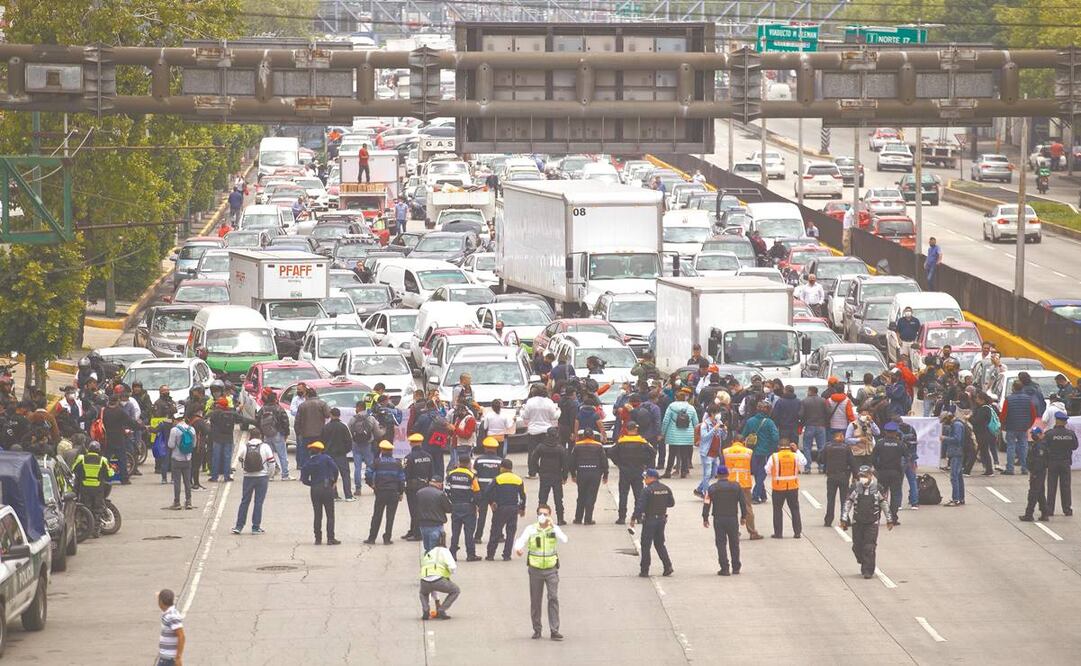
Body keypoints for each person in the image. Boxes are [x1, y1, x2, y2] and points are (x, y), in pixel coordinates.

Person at [513, 503, 568, 640]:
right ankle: (537, 629)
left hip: (551, 569)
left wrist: (553, 527)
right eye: (540, 514)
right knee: (536, 601)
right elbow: (520, 541)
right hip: (535, 569)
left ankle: (554, 630)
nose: (543, 516)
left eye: (545, 514)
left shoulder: (554, 529)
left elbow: (564, 539)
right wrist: (518, 549)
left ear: (550, 515)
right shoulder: (531, 529)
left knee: (553, 597)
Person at [840, 466, 893, 579]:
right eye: (861, 476)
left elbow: (884, 504)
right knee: (857, 547)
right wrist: (844, 518)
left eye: (865, 476)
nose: (862, 478)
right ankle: (863, 560)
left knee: (869, 547)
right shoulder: (855, 487)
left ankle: (868, 570)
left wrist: (889, 519)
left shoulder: (878, 488)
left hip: (872, 522)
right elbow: (848, 503)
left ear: (870, 475)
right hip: (857, 521)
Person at [702, 464, 746, 576]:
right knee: (734, 543)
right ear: (727, 474)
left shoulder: (712, 488)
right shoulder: (736, 486)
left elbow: (707, 503)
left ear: (717, 475)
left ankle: (724, 568)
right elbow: (742, 502)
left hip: (719, 519)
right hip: (732, 518)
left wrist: (705, 517)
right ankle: (736, 567)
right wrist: (743, 516)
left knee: (721, 543)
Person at [631, 468, 675, 577]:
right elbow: (671, 503)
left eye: (645, 478)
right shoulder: (666, 488)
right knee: (660, 544)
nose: (644, 480)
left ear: (651, 478)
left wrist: (633, 518)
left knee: (646, 545)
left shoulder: (647, 490)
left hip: (650, 520)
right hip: (661, 520)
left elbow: (640, 506)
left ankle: (644, 570)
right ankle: (668, 566)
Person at [611, 421, 656, 524]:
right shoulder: (642, 441)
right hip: (638, 470)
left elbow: (611, 452)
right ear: (636, 429)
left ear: (626, 429)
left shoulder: (621, 441)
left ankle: (622, 518)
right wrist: (645, 462)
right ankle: (639, 517)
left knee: (623, 494)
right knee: (639, 495)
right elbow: (653, 452)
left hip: (624, 471)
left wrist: (618, 463)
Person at [483, 459, 527, 561]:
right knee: (510, 532)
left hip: (500, 509)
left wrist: (492, 502)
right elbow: (523, 496)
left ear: (502, 468)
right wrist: (522, 508)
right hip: (513, 509)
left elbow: (487, 492)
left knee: (495, 531)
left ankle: (490, 555)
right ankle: (507, 555)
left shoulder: (498, 479)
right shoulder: (518, 479)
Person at [365, 440, 406, 545]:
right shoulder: (397, 463)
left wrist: (372, 485)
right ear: (391, 451)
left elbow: (368, 473)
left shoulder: (377, 462)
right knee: (390, 517)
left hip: (381, 492)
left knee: (377, 515)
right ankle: (387, 539)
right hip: (393, 493)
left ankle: (372, 538)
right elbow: (401, 479)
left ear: (382, 450)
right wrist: (401, 492)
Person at [300, 441, 340, 545]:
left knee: (317, 515)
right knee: (330, 514)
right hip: (327, 488)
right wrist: (334, 481)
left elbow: (304, 479)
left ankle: (318, 539)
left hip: (315, 489)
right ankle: (330, 538)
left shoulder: (308, 462)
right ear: (321, 450)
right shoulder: (326, 458)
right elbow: (335, 469)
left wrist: (312, 484)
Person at [764, 440, 806, 538]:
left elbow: (767, 469)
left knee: (777, 510)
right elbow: (804, 462)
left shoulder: (774, 456)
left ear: (779, 447)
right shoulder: (795, 456)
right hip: (792, 487)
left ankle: (778, 533)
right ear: (790, 446)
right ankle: (797, 532)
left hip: (778, 488)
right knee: (795, 510)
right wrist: (797, 451)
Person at [445, 457, 482, 561]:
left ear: (459, 463)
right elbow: (477, 493)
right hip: (469, 507)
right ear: (469, 464)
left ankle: (452, 554)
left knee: (455, 532)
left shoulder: (451, 474)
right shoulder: (471, 475)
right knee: (469, 533)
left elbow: (447, 490)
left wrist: (453, 501)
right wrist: (476, 505)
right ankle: (471, 555)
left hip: (456, 506)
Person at [741, 402, 779, 504]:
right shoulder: (770, 423)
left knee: (757, 473)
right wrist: (772, 448)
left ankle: (763, 495)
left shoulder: (750, 421)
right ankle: (755, 495)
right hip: (765, 452)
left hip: (753, 451)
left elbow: (744, 434)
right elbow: (775, 437)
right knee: (762, 474)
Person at [72, 441, 111, 538]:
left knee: (86, 508)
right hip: (98, 489)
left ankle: (86, 529)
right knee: (97, 509)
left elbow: (73, 469)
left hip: (84, 488)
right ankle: (96, 530)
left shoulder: (82, 458)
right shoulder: (103, 460)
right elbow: (109, 474)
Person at [1045, 411, 1079, 516]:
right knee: (1065, 487)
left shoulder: (1049, 434)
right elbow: (1075, 446)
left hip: (1053, 462)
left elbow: (1045, 446)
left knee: (1051, 486)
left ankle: (1050, 510)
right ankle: (1067, 509)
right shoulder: (1070, 434)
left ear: (1056, 420)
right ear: (1064, 422)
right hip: (1065, 463)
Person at [872, 422, 906, 526]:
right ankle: (893, 518)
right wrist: (901, 471)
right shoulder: (900, 444)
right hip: (896, 472)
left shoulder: (880, 443)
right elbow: (906, 458)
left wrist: (877, 469)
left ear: (885, 432)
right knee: (895, 496)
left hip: (883, 472)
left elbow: (873, 458)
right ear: (896, 433)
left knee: (880, 496)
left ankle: (876, 517)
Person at [419, 533, 459, 620]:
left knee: (423, 593)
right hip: (438, 580)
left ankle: (426, 610)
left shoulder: (429, 553)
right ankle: (442, 610)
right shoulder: (445, 551)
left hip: (424, 580)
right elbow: (453, 567)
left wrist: (437, 600)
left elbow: (431, 586)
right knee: (455, 590)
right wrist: (449, 574)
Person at [402, 433, 434, 541]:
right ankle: (413, 530)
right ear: (421, 442)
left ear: (411, 443)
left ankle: (417, 534)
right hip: (425, 485)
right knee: (421, 509)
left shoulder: (408, 457)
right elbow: (431, 473)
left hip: (413, 487)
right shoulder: (428, 456)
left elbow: (405, 474)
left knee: (414, 510)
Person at [1001, 380, 1037, 475]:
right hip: (1023, 427)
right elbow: (1033, 414)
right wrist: (1029, 425)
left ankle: (1010, 468)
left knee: (1011, 447)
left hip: (1011, 426)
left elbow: (1004, 414)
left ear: (1013, 387)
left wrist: (1003, 425)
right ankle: (1024, 468)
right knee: (1023, 447)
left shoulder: (1009, 399)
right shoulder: (1028, 399)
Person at [661, 388, 698, 478]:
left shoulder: (671, 407)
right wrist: (696, 434)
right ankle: (684, 472)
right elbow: (696, 422)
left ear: (676, 397)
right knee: (684, 453)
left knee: (672, 453)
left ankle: (668, 471)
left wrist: (663, 432)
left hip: (673, 434)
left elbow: (666, 421)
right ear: (685, 398)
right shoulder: (691, 407)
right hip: (687, 434)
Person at [821, 430, 856, 526]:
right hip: (843, 476)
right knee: (844, 499)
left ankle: (828, 520)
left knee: (831, 499)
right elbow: (852, 463)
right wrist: (855, 475)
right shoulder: (846, 447)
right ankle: (845, 519)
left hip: (831, 476)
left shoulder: (827, 446)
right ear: (840, 436)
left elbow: (821, 459)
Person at [255, 390, 291, 481]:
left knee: (269, 456)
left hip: (267, 434)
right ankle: (285, 475)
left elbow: (257, 420)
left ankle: (270, 475)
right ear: (275, 399)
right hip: (278, 433)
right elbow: (285, 421)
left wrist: (262, 431)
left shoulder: (263, 409)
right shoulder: (279, 408)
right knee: (282, 455)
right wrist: (286, 433)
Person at [321, 407, 355, 501]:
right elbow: (349, 441)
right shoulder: (343, 427)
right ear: (339, 415)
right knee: (345, 475)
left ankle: (334, 495)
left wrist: (324, 452)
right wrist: (345, 451)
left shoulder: (326, 427)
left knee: (331, 475)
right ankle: (348, 495)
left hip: (329, 455)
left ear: (331, 415)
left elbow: (322, 441)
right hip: (341, 455)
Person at [473, 437, 503, 542]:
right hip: (495, 492)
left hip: (482, 492)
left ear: (485, 448)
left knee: (482, 515)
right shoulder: (500, 461)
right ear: (496, 449)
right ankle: (499, 536)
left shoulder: (479, 460)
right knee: (498, 515)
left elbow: (474, 476)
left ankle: (477, 537)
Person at [295, 387, 331, 470]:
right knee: (320, 453)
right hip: (319, 434)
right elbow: (328, 415)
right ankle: (320, 471)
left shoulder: (302, 405)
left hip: (305, 434)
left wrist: (298, 433)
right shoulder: (322, 404)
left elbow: (297, 421)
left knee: (305, 455)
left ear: (307, 395)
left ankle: (305, 473)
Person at [519, 384, 560, 457]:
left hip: (533, 432)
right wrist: (558, 410)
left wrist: (521, 410)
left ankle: (533, 468)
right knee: (546, 454)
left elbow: (525, 416)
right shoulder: (549, 402)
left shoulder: (530, 402)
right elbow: (554, 417)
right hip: (546, 431)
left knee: (532, 454)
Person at [166, 415, 197, 511]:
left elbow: (170, 445)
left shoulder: (174, 430)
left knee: (177, 482)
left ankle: (177, 502)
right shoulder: (191, 429)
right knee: (187, 481)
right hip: (188, 459)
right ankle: (188, 502)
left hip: (176, 459)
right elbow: (194, 444)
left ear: (176, 420)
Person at [1019, 427, 1049, 522]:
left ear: (1040, 434)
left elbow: (1039, 462)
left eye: (1035, 434)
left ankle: (1029, 514)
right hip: (1036, 472)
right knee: (1040, 493)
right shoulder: (1036, 444)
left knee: (1033, 494)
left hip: (1038, 472)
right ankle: (1045, 514)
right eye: (1032, 434)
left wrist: (1035, 473)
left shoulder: (1040, 446)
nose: (1033, 436)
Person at [695, 404, 725, 497]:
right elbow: (704, 437)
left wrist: (724, 430)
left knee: (713, 473)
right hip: (707, 452)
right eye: (717, 412)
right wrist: (714, 429)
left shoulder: (718, 422)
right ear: (712, 413)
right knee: (707, 474)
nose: (719, 414)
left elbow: (722, 437)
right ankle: (705, 493)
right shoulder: (705, 424)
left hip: (715, 453)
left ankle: (699, 489)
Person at [416, 478, 453, 552]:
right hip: (436, 525)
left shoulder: (419, 492)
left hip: (423, 525)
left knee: (427, 548)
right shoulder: (440, 494)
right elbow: (449, 509)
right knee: (435, 551)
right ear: (439, 484)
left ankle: (427, 562)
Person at [799, 386, 830, 473]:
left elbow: (801, 414)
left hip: (809, 426)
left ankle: (807, 467)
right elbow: (829, 412)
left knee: (807, 447)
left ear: (810, 391)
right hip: (821, 426)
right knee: (821, 447)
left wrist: (802, 422)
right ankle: (821, 466)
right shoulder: (823, 401)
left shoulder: (804, 401)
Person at [940, 410, 966, 506]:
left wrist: (945, 438)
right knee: (958, 476)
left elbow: (957, 439)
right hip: (956, 452)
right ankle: (960, 498)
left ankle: (956, 499)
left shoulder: (957, 425)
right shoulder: (956, 424)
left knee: (954, 476)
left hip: (957, 453)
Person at [156, 588, 186, 666]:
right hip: (166, 658)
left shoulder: (172, 616)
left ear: (161, 602)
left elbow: (181, 636)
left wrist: (178, 658)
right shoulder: (168, 612)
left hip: (169, 660)